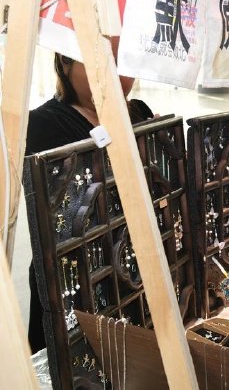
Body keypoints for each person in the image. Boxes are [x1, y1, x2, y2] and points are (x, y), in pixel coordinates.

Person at [25, 37, 153, 352]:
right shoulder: (43, 124)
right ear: (65, 61)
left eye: (126, 62)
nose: (117, 75)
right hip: (76, 279)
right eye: (102, 60)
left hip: (134, 269)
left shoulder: (138, 112)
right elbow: (60, 214)